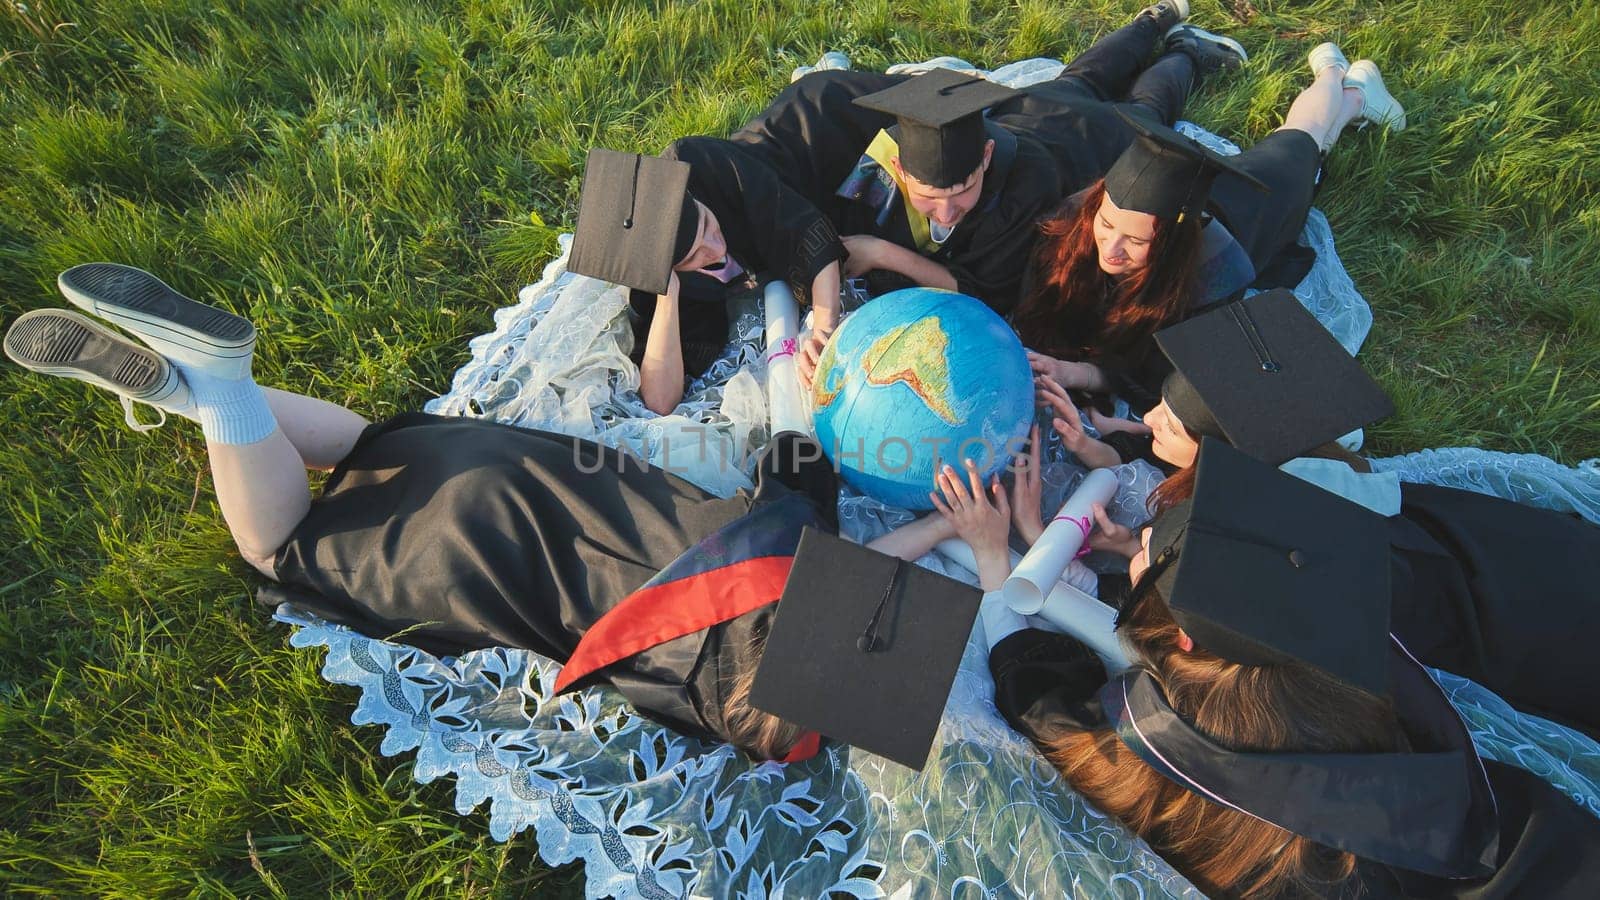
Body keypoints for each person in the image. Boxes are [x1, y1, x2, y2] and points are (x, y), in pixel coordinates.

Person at [6, 262, 845, 760]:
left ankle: (193, 389)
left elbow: (796, 463)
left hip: (508, 467)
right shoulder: (710, 694)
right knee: (278, 550)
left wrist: (960, 531)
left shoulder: (787, 534)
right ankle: (221, 395)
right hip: (469, 549)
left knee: (372, 446)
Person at [983, 440, 1600, 898]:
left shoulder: (1166, 763)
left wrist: (992, 557)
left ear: (1186, 640)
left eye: (1144, 557)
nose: (1137, 554)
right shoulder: (1363, 698)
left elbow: (1039, 696)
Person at [1050, 291, 1600, 737]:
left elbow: (1199, 631)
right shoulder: (1283, 463)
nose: (1147, 419)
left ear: (1219, 453)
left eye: (1169, 424)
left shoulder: (1282, 537)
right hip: (1488, 548)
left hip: (1465, 620)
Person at [730, 1, 1250, 381]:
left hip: (1082, 142)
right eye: (927, 195)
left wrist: (886, 252)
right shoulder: (879, 168)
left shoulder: (1026, 195)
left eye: (962, 190)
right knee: (1082, 76)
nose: (947, 210)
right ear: (902, 168)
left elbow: (983, 291)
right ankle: (1149, 20)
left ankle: (1182, 49)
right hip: (1032, 107)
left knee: (1145, 108)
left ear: (984, 158)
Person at [1019, 43, 1406, 413]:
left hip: (1255, 208)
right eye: (1106, 223)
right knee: (1314, 152)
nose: (1111, 248)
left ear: (1171, 245)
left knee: (1301, 139)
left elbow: (1159, 372)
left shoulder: (1213, 271)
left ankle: (1337, 75)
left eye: (1136, 240)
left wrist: (1083, 374)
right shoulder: (1073, 220)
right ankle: (1354, 96)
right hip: (1182, 194)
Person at [567, 146, 844, 414]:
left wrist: (822, 332)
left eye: (707, 224)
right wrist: (668, 295)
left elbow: (808, 237)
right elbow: (661, 401)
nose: (716, 248)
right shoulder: (654, 279)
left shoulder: (698, 166)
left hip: (810, 151)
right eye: (695, 255)